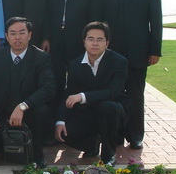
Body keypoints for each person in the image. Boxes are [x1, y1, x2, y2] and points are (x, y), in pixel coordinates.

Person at [102, 0, 163, 149]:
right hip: (111, 53)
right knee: (114, 93)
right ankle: (116, 135)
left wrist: (155, 50)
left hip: (138, 53)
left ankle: (135, 135)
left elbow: (156, 21)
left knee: (136, 95)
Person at [0, 17, 55, 168]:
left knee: (42, 111)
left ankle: (37, 155)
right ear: (6, 36)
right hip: (3, 115)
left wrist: (23, 106)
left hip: (30, 114)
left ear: (30, 35)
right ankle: (13, 150)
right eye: (12, 33)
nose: (17, 37)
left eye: (22, 33)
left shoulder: (41, 58)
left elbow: (48, 88)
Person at [55, 22, 129, 166]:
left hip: (115, 107)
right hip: (89, 109)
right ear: (84, 42)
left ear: (107, 43)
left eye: (99, 39)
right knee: (65, 133)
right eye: (91, 39)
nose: (95, 43)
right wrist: (60, 121)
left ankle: (108, 156)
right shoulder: (75, 64)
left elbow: (113, 91)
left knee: (106, 107)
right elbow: (69, 94)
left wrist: (83, 96)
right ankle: (91, 145)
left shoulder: (119, 62)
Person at [42, 0, 103, 105]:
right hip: (54, 40)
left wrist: (90, 40)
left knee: (79, 82)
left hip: (79, 39)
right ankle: (56, 117)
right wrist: (45, 36)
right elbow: (44, 10)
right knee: (55, 81)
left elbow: (95, 14)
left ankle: (76, 117)